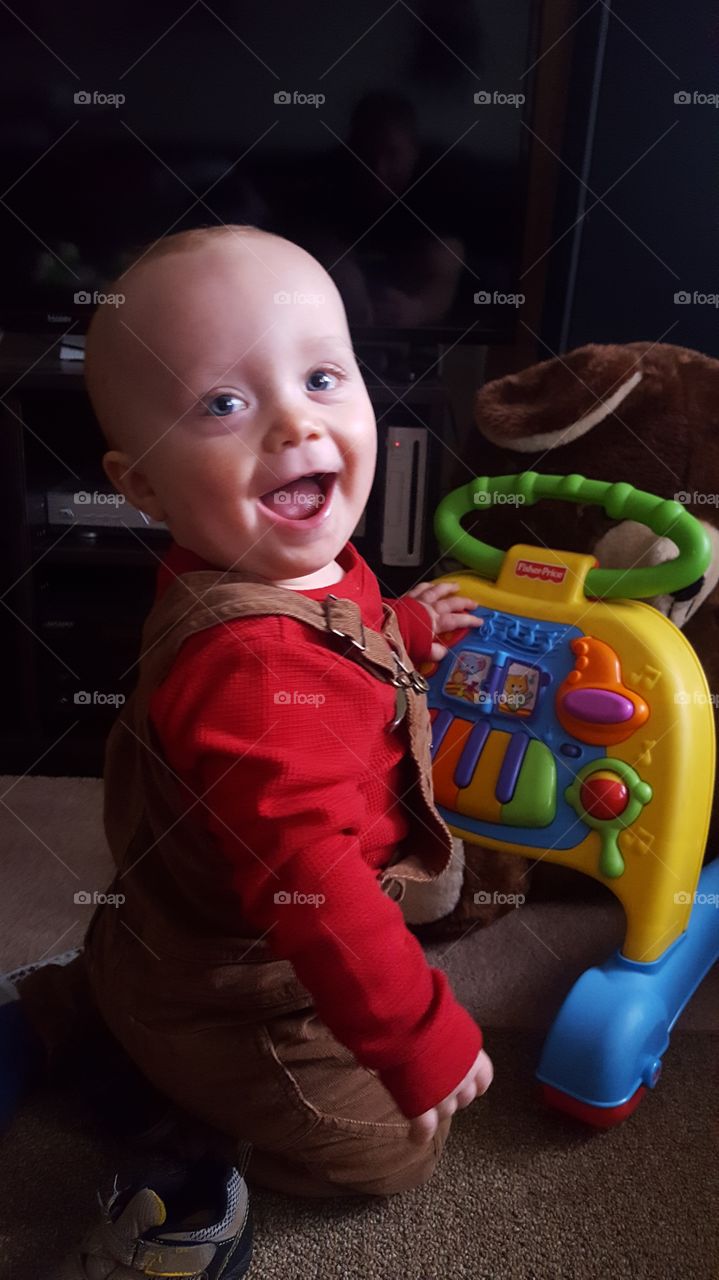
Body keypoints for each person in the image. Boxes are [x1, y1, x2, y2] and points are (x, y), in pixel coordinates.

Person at [4, 224, 493, 1274]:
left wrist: (402, 626)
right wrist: (419, 1035)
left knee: (419, 899)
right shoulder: (247, 666)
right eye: (223, 402)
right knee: (394, 1146)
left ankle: (77, 1001)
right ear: (140, 487)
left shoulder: (282, 565)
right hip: (243, 979)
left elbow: (338, 638)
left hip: (167, 927)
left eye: (322, 375)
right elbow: (309, 875)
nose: (291, 420)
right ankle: (180, 1125)